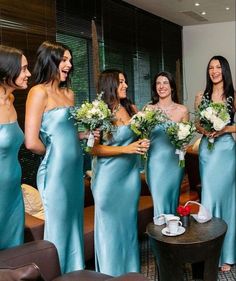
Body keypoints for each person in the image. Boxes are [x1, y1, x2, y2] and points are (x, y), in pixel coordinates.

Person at [24, 41, 85, 273]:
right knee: (59, 225)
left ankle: (76, 272)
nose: (69, 65)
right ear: (50, 61)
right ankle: (58, 274)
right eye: (65, 60)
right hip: (56, 171)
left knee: (74, 222)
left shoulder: (69, 93)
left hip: (75, 168)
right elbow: (31, 141)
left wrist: (86, 134)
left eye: (70, 60)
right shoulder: (38, 92)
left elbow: (67, 133)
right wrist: (54, 153)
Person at [90, 69, 150, 276]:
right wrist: (126, 149)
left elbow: (136, 137)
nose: (125, 85)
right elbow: (93, 149)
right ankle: (111, 275)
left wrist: (142, 143)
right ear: (110, 85)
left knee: (128, 226)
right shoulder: (99, 112)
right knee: (110, 229)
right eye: (121, 82)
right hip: (108, 180)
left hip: (130, 177)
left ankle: (131, 273)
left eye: (125, 81)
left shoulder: (130, 107)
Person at [195, 55, 236, 272]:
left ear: (224, 70)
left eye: (218, 67)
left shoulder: (233, 96)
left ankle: (228, 254)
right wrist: (205, 130)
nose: (214, 71)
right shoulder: (201, 96)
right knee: (208, 198)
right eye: (210, 67)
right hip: (207, 151)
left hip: (226, 151)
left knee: (227, 200)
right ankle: (209, 253)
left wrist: (224, 129)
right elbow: (196, 124)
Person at [145, 71, 189, 217]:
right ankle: (159, 237)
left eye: (165, 83)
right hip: (155, 163)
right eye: (158, 83)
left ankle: (173, 236)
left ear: (172, 87)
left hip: (174, 163)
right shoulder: (148, 109)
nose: (161, 86)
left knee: (172, 201)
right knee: (159, 203)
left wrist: (185, 145)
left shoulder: (182, 110)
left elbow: (186, 137)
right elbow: (142, 135)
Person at [0, 45, 31, 249]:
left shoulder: (10, 99)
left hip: (13, 191)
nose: (28, 73)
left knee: (13, 252)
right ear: (7, 70)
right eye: (24, 69)